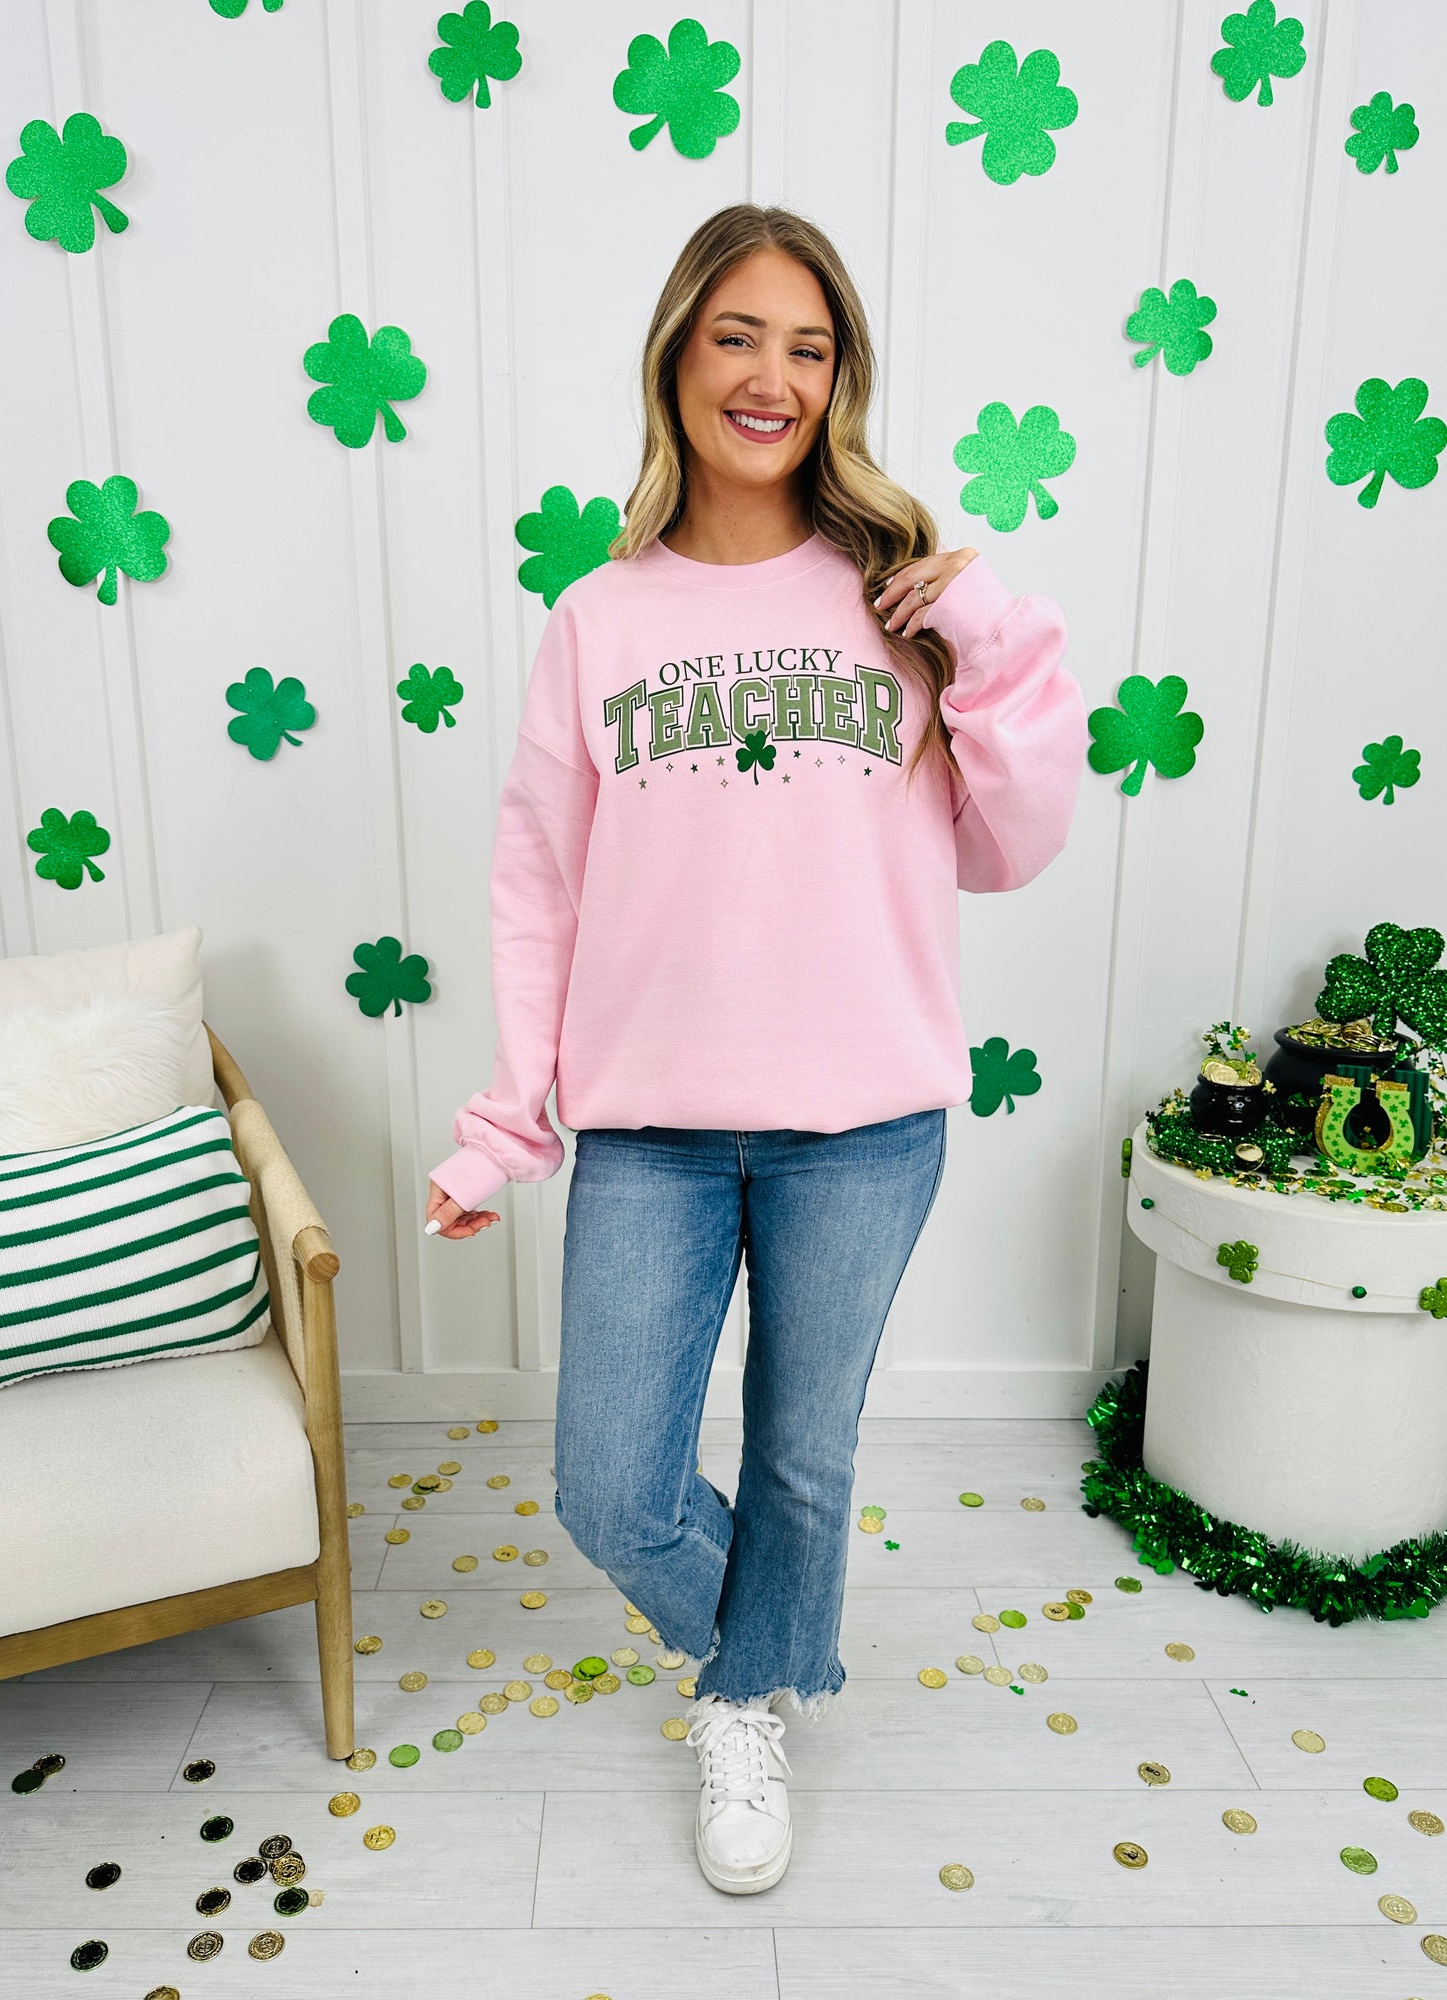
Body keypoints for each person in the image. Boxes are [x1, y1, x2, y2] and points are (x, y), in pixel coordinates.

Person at [423, 204, 1086, 1895]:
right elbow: (538, 885)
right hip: (649, 1126)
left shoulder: (900, 596)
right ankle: (775, 1654)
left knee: (803, 1455)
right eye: (738, 336)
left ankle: (740, 1707)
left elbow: (1014, 847)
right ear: (677, 357)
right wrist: (509, 1122)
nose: (771, 376)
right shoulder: (597, 618)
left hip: (864, 1123)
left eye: (809, 345)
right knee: (609, 1487)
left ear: (839, 377)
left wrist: (992, 644)